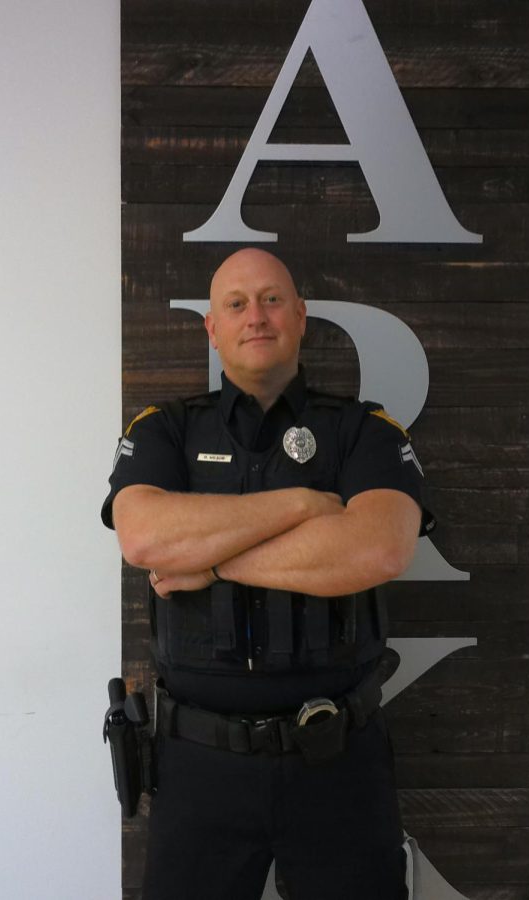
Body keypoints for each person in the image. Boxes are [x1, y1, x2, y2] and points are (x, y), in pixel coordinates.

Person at [101, 248, 432, 900]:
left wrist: (211, 558)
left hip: (337, 761)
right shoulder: (164, 430)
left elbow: (380, 548)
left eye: (272, 299)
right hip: (199, 768)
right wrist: (302, 506)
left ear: (301, 316)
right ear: (213, 329)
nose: (256, 315)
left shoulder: (362, 430)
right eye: (236, 303)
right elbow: (143, 536)